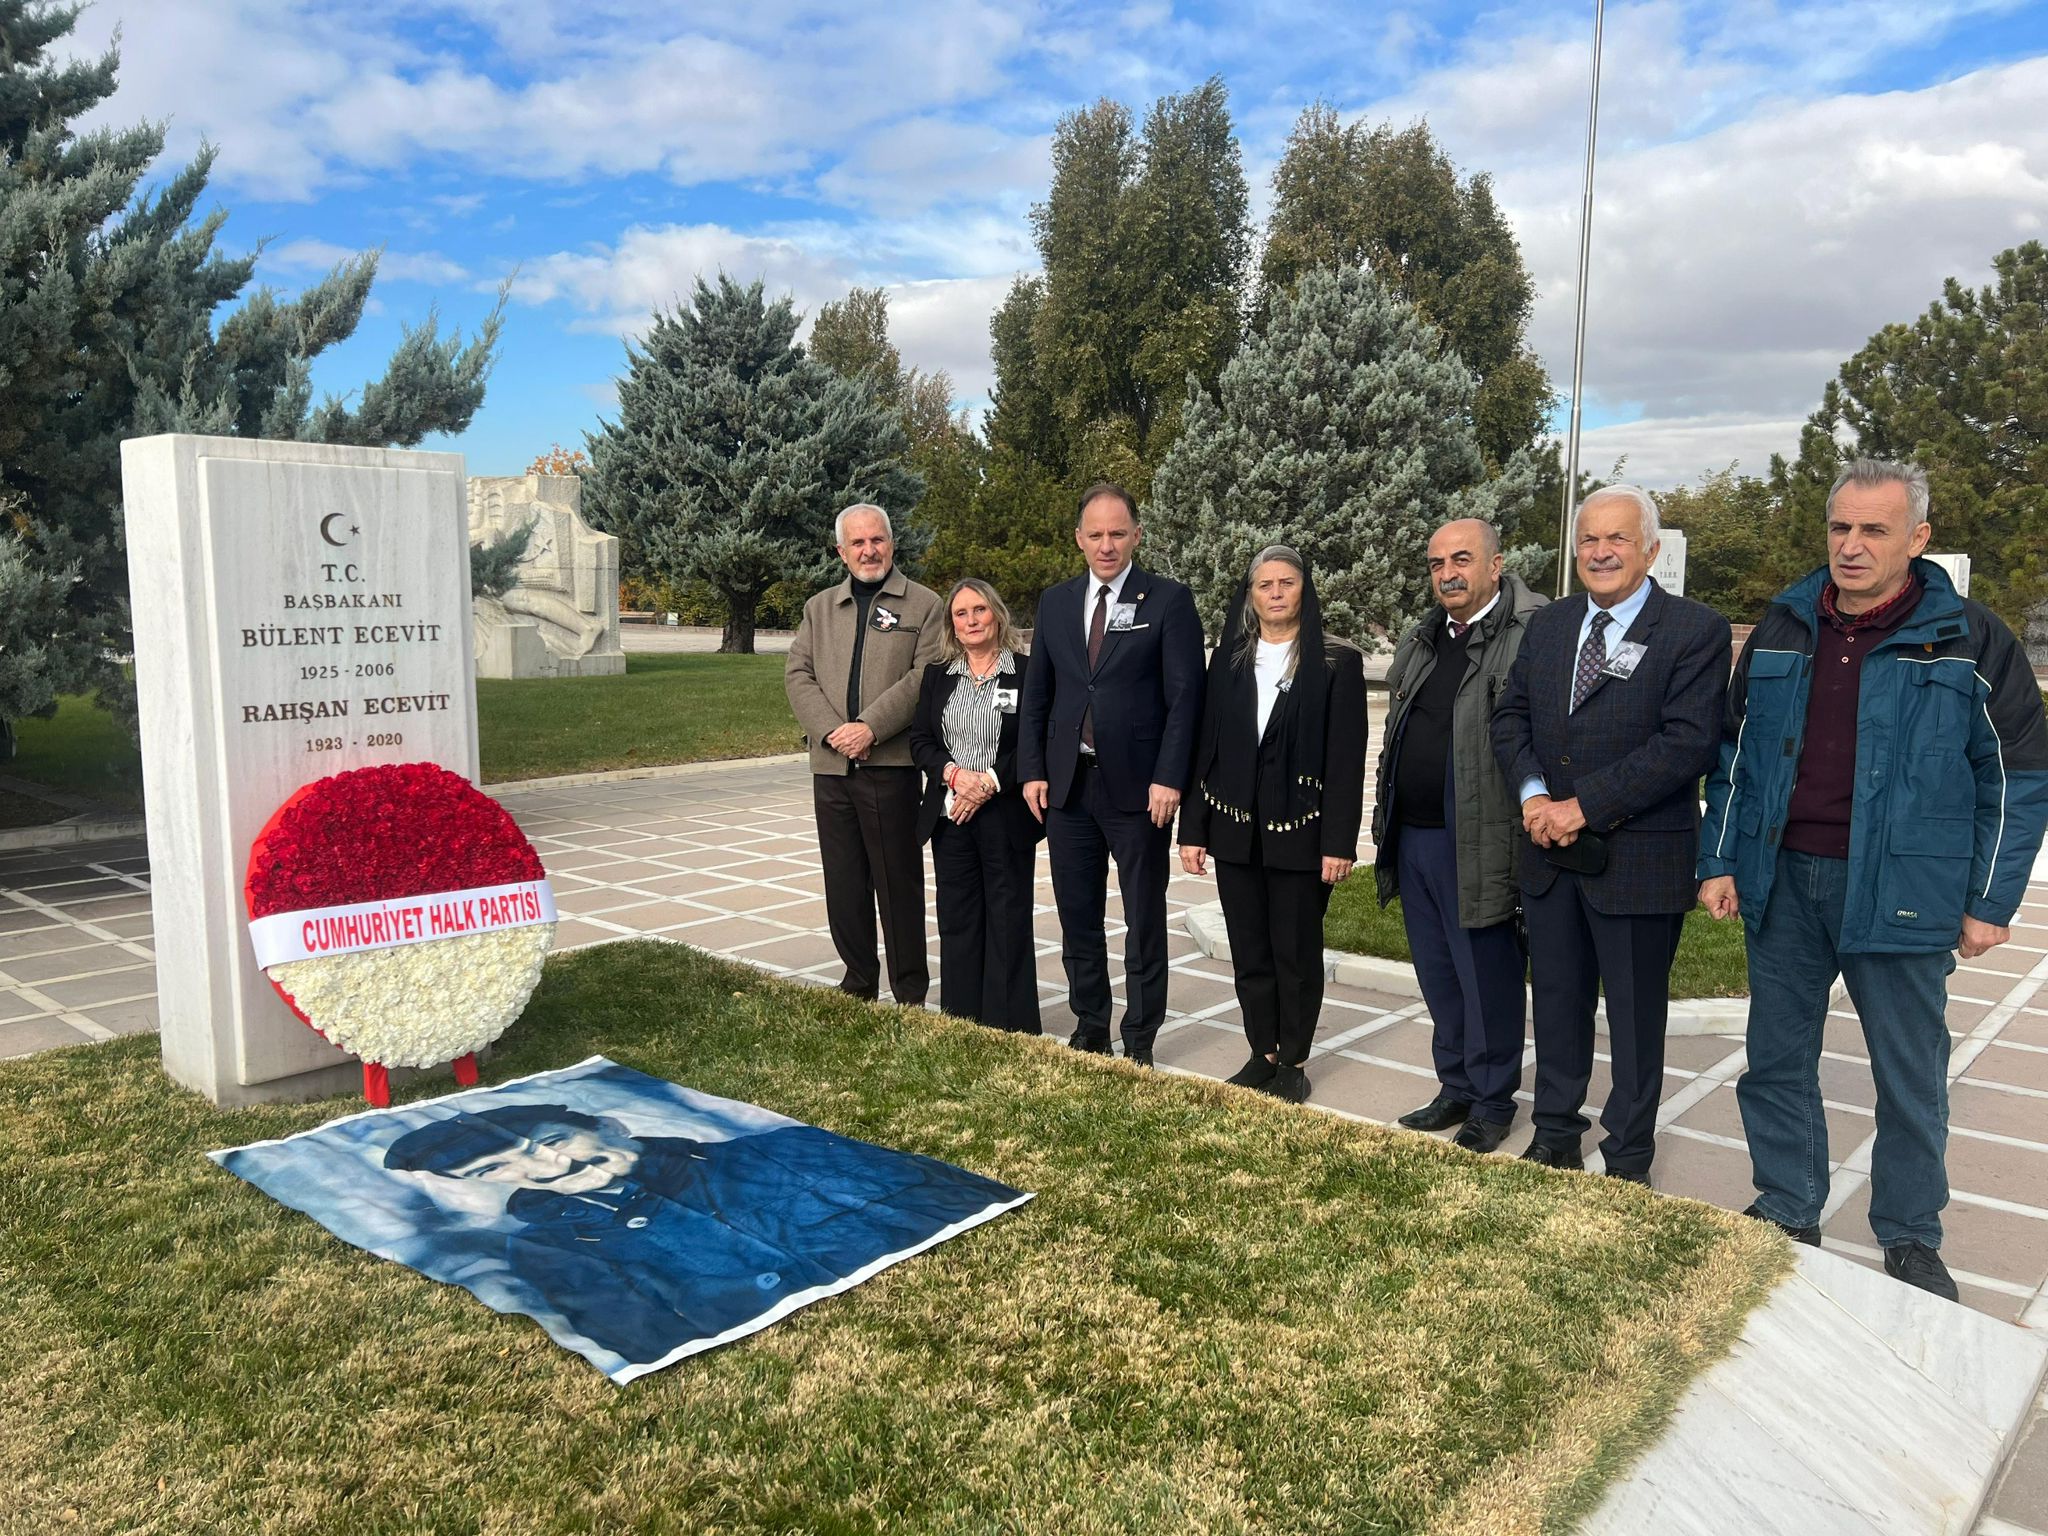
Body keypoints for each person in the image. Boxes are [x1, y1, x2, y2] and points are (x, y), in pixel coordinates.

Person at [1697, 458, 2048, 1300]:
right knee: (1777, 1062)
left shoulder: (1971, 637)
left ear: (1918, 538)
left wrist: (1989, 900)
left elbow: (2019, 775)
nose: (1851, 547)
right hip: (1782, 881)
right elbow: (1733, 756)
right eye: (1840, 528)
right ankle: (1786, 1207)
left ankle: (1910, 1233)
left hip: (1904, 889)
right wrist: (1719, 859)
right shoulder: (1783, 626)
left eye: (1874, 530)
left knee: (1910, 1074)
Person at [385, 1100, 1018, 1363]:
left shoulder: (786, 1150)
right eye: (501, 1165)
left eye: (553, 1139)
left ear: (606, 1126)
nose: (552, 1165)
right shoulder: (544, 1250)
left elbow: (948, 1193)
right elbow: (638, 1335)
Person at [1491, 485, 1730, 1182]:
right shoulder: (1551, 624)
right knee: (1558, 1005)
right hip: (1549, 858)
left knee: (1632, 1019)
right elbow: (1510, 720)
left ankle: (1627, 1153)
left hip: (1638, 862)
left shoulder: (1694, 630)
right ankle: (1556, 1134)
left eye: (1617, 539)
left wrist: (1581, 807)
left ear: (1651, 549)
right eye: (1589, 539)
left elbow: (1687, 745)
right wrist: (1536, 797)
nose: (1600, 552)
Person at [1018, 482, 1205, 1067]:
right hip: (1069, 786)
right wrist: (1032, 771)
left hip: (1140, 789)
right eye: (1095, 534)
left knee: (1143, 917)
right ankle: (1091, 1023)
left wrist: (1170, 777)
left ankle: (1140, 1036)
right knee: (1078, 914)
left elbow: (1186, 701)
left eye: (1118, 533)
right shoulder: (1055, 602)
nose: (1107, 545)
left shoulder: (1168, 601)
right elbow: (1038, 695)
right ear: (1079, 539)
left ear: (1137, 536)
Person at [1376, 519, 1546, 1151]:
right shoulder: (1424, 637)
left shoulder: (1530, 632)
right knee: (1439, 972)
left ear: (1496, 564)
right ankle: (1455, 1086)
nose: (1447, 572)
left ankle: (1494, 1100)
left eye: (1462, 559)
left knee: (1487, 975)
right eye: (1436, 562)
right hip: (1415, 835)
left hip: (1480, 836)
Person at [1177, 547, 1366, 1103]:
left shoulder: (1336, 662)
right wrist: (1194, 829)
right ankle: (1263, 1053)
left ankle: (1295, 1059)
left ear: (1304, 589)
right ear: (1251, 593)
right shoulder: (1231, 657)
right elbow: (1205, 747)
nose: (1277, 593)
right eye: (1265, 585)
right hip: (1236, 827)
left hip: (1301, 832)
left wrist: (1338, 842)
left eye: (1287, 582)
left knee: (1295, 951)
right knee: (1250, 949)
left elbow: (1346, 759)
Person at [785, 504, 943, 1005]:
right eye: (857, 543)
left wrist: (871, 727)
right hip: (832, 768)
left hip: (889, 769)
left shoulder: (924, 605)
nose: (868, 550)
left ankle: (910, 991)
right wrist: (834, 732)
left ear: (891, 544)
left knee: (897, 886)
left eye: (877, 540)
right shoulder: (819, 608)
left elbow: (926, 676)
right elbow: (798, 675)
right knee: (845, 882)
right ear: (841, 552)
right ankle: (857, 981)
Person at [909, 578, 1044, 1034]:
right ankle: (962, 1019)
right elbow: (921, 741)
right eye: (961, 613)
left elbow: (1033, 738)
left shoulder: (1026, 672)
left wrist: (987, 781)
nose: (971, 620)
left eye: (979, 610)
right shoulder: (937, 674)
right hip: (950, 815)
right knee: (958, 917)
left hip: (1005, 813)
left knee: (1007, 917)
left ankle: (1010, 1024)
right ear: (952, 624)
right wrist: (953, 776)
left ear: (997, 615)